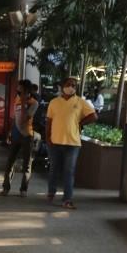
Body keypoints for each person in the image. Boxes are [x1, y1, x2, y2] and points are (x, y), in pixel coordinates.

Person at [46, 76, 97, 209]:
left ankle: (67, 199)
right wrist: (47, 137)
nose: (71, 87)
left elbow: (94, 116)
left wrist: (80, 123)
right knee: (53, 169)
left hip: (73, 143)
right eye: (69, 84)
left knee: (69, 171)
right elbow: (49, 121)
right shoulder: (54, 102)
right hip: (55, 141)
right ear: (62, 86)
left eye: (74, 85)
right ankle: (51, 192)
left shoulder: (80, 102)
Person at [1, 79, 39, 197]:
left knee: (27, 164)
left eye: (20, 89)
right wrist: (10, 132)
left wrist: (23, 103)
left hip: (27, 135)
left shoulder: (34, 103)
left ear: (27, 91)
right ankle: (5, 187)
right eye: (18, 89)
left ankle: (23, 189)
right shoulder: (16, 99)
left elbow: (24, 119)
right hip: (16, 134)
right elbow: (15, 118)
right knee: (10, 162)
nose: (18, 91)